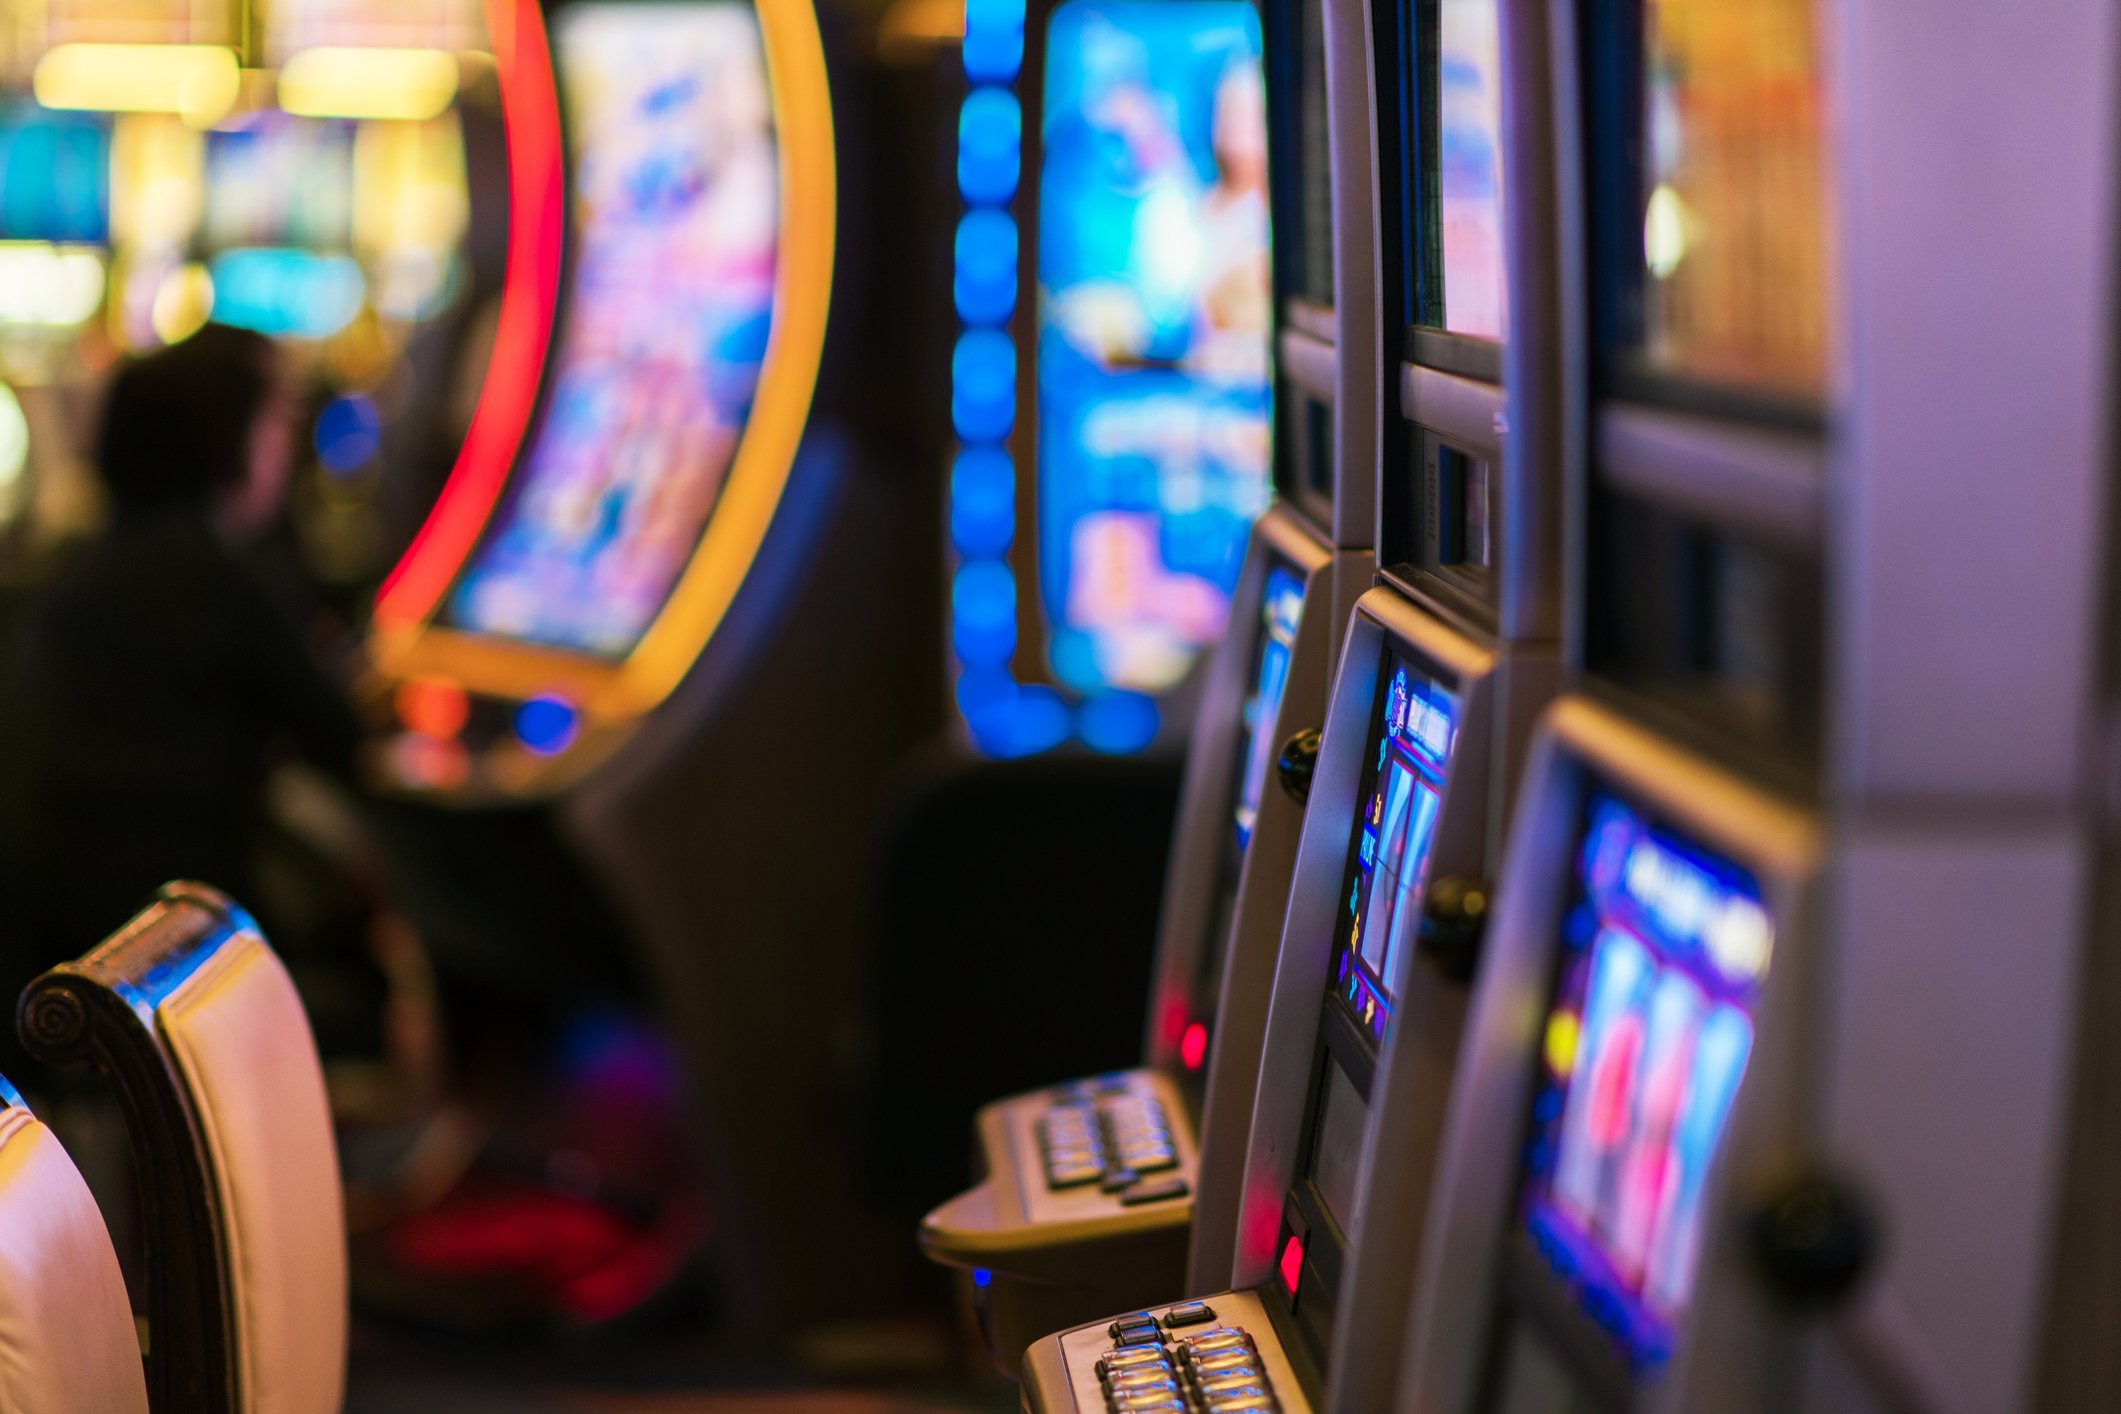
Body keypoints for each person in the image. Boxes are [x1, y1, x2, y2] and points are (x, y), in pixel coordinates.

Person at [0, 323, 362, 979]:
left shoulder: (96, 562)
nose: (287, 448)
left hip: (74, 929)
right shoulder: (211, 577)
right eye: (277, 420)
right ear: (229, 434)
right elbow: (347, 740)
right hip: (160, 943)